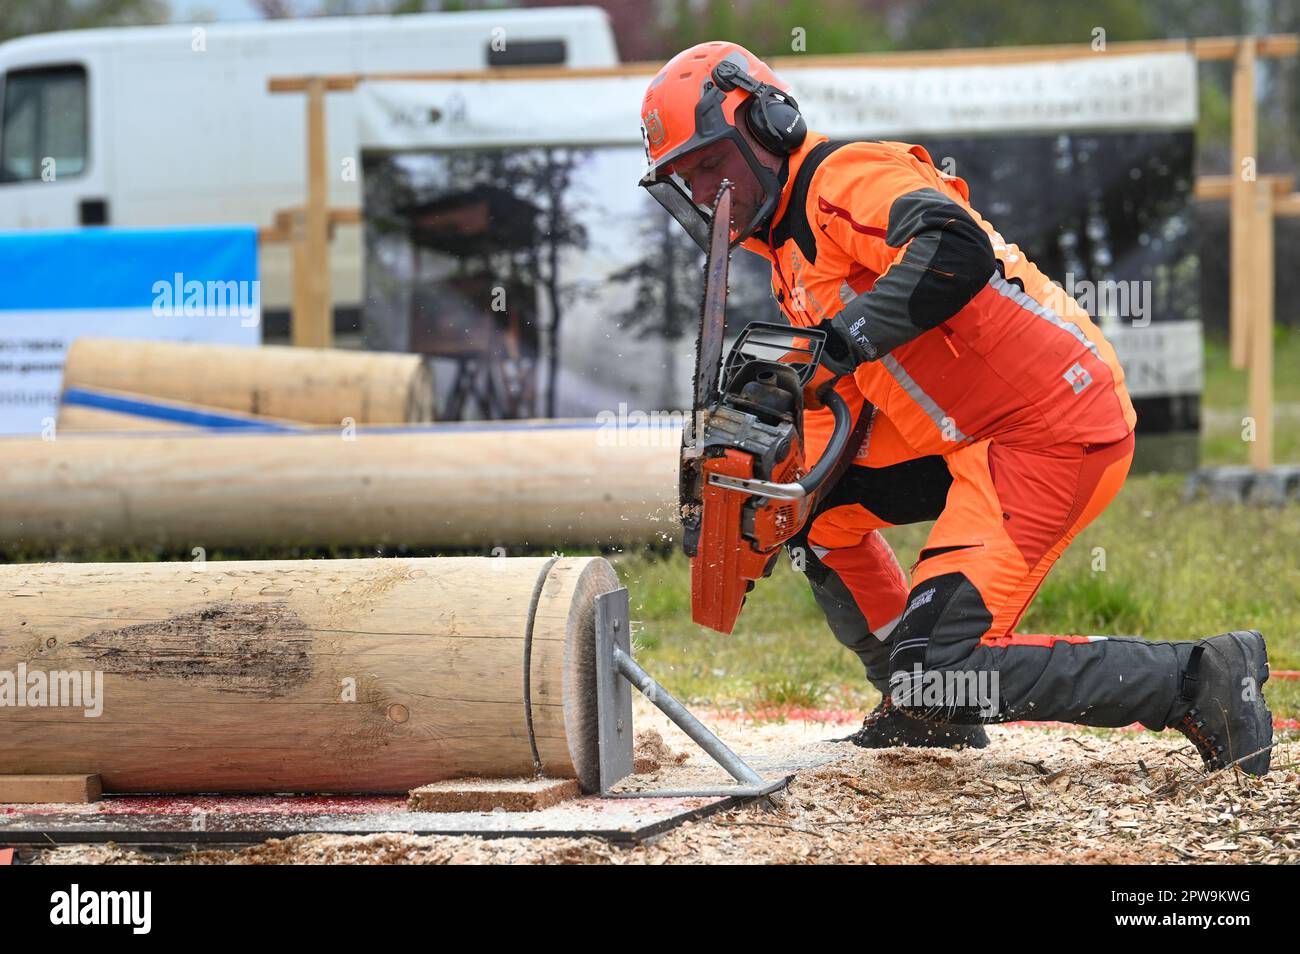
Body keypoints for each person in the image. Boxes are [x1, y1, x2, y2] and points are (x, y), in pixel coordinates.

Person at [638, 40, 1273, 774]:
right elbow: (841, 400)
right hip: (964, 433)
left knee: (939, 666)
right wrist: (753, 504)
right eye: (690, 178)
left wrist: (842, 341)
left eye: (711, 164)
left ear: (766, 122)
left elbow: (953, 247)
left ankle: (1201, 680)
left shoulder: (842, 178)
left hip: (1052, 428)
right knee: (811, 515)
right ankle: (923, 719)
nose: (709, 190)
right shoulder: (788, 253)